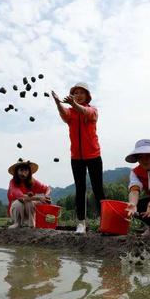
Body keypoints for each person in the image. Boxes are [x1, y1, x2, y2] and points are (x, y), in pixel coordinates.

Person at [51, 82, 105, 234]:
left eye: (82, 93)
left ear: (87, 96)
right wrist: (57, 103)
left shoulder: (92, 110)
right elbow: (64, 114)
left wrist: (73, 104)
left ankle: (105, 220)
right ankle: (81, 223)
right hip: (76, 157)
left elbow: (85, 112)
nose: (78, 95)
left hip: (94, 155)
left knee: (98, 189)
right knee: (79, 190)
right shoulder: (70, 113)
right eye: (75, 93)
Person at [6, 159, 51, 229]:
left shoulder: (33, 182)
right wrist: (38, 198)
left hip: (29, 211)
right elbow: (20, 197)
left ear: (29, 172)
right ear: (16, 172)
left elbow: (48, 188)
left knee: (30, 202)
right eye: (21, 170)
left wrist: (46, 196)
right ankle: (17, 223)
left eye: (26, 170)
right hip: (16, 211)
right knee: (18, 203)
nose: (24, 173)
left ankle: (31, 225)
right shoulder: (13, 182)